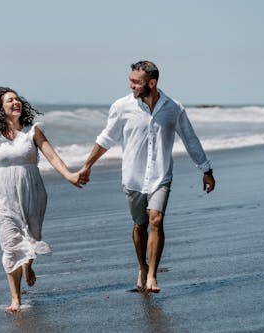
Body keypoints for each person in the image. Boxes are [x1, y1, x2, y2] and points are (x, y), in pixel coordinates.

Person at [78, 60, 216, 293]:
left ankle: (152, 275)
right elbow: (106, 139)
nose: (131, 85)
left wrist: (206, 170)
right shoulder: (122, 107)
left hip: (161, 175)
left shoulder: (174, 108)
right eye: (130, 80)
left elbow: (190, 139)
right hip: (132, 177)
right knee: (140, 225)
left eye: (136, 82)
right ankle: (142, 267)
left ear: (152, 83)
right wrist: (87, 165)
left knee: (156, 220)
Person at [0, 87, 82, 312]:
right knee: (10, 245)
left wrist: (69, 175)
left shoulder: (33, 131)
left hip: (33, 192)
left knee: (31, 236)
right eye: (10, 100)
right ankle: (16, 298)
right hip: (3, 196)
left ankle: (28, 266)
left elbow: (51, 156)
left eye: (17, 99)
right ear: (1, 108)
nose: (15, 102)